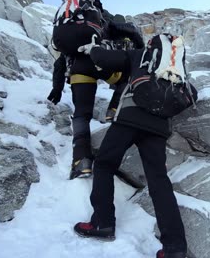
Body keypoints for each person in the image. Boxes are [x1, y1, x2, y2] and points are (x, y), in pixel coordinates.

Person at [72, 38, 188, 258]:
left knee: (105, 164)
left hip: (129, 119)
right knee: (159, 181)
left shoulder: (140, 55)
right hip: (159, 127)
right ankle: (175, 248)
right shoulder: (178, 67)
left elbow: (105, 59)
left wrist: (93, 49)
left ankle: (102, 223)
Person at [47, 16, 144, 180]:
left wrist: (57, 88)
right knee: (128, 78)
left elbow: (60, 63)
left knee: (81, 114)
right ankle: (114, 110)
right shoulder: (108, 25)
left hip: (79, 69)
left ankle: (81, 162)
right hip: (103, 64)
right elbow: (136, 51)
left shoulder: (75, 34)